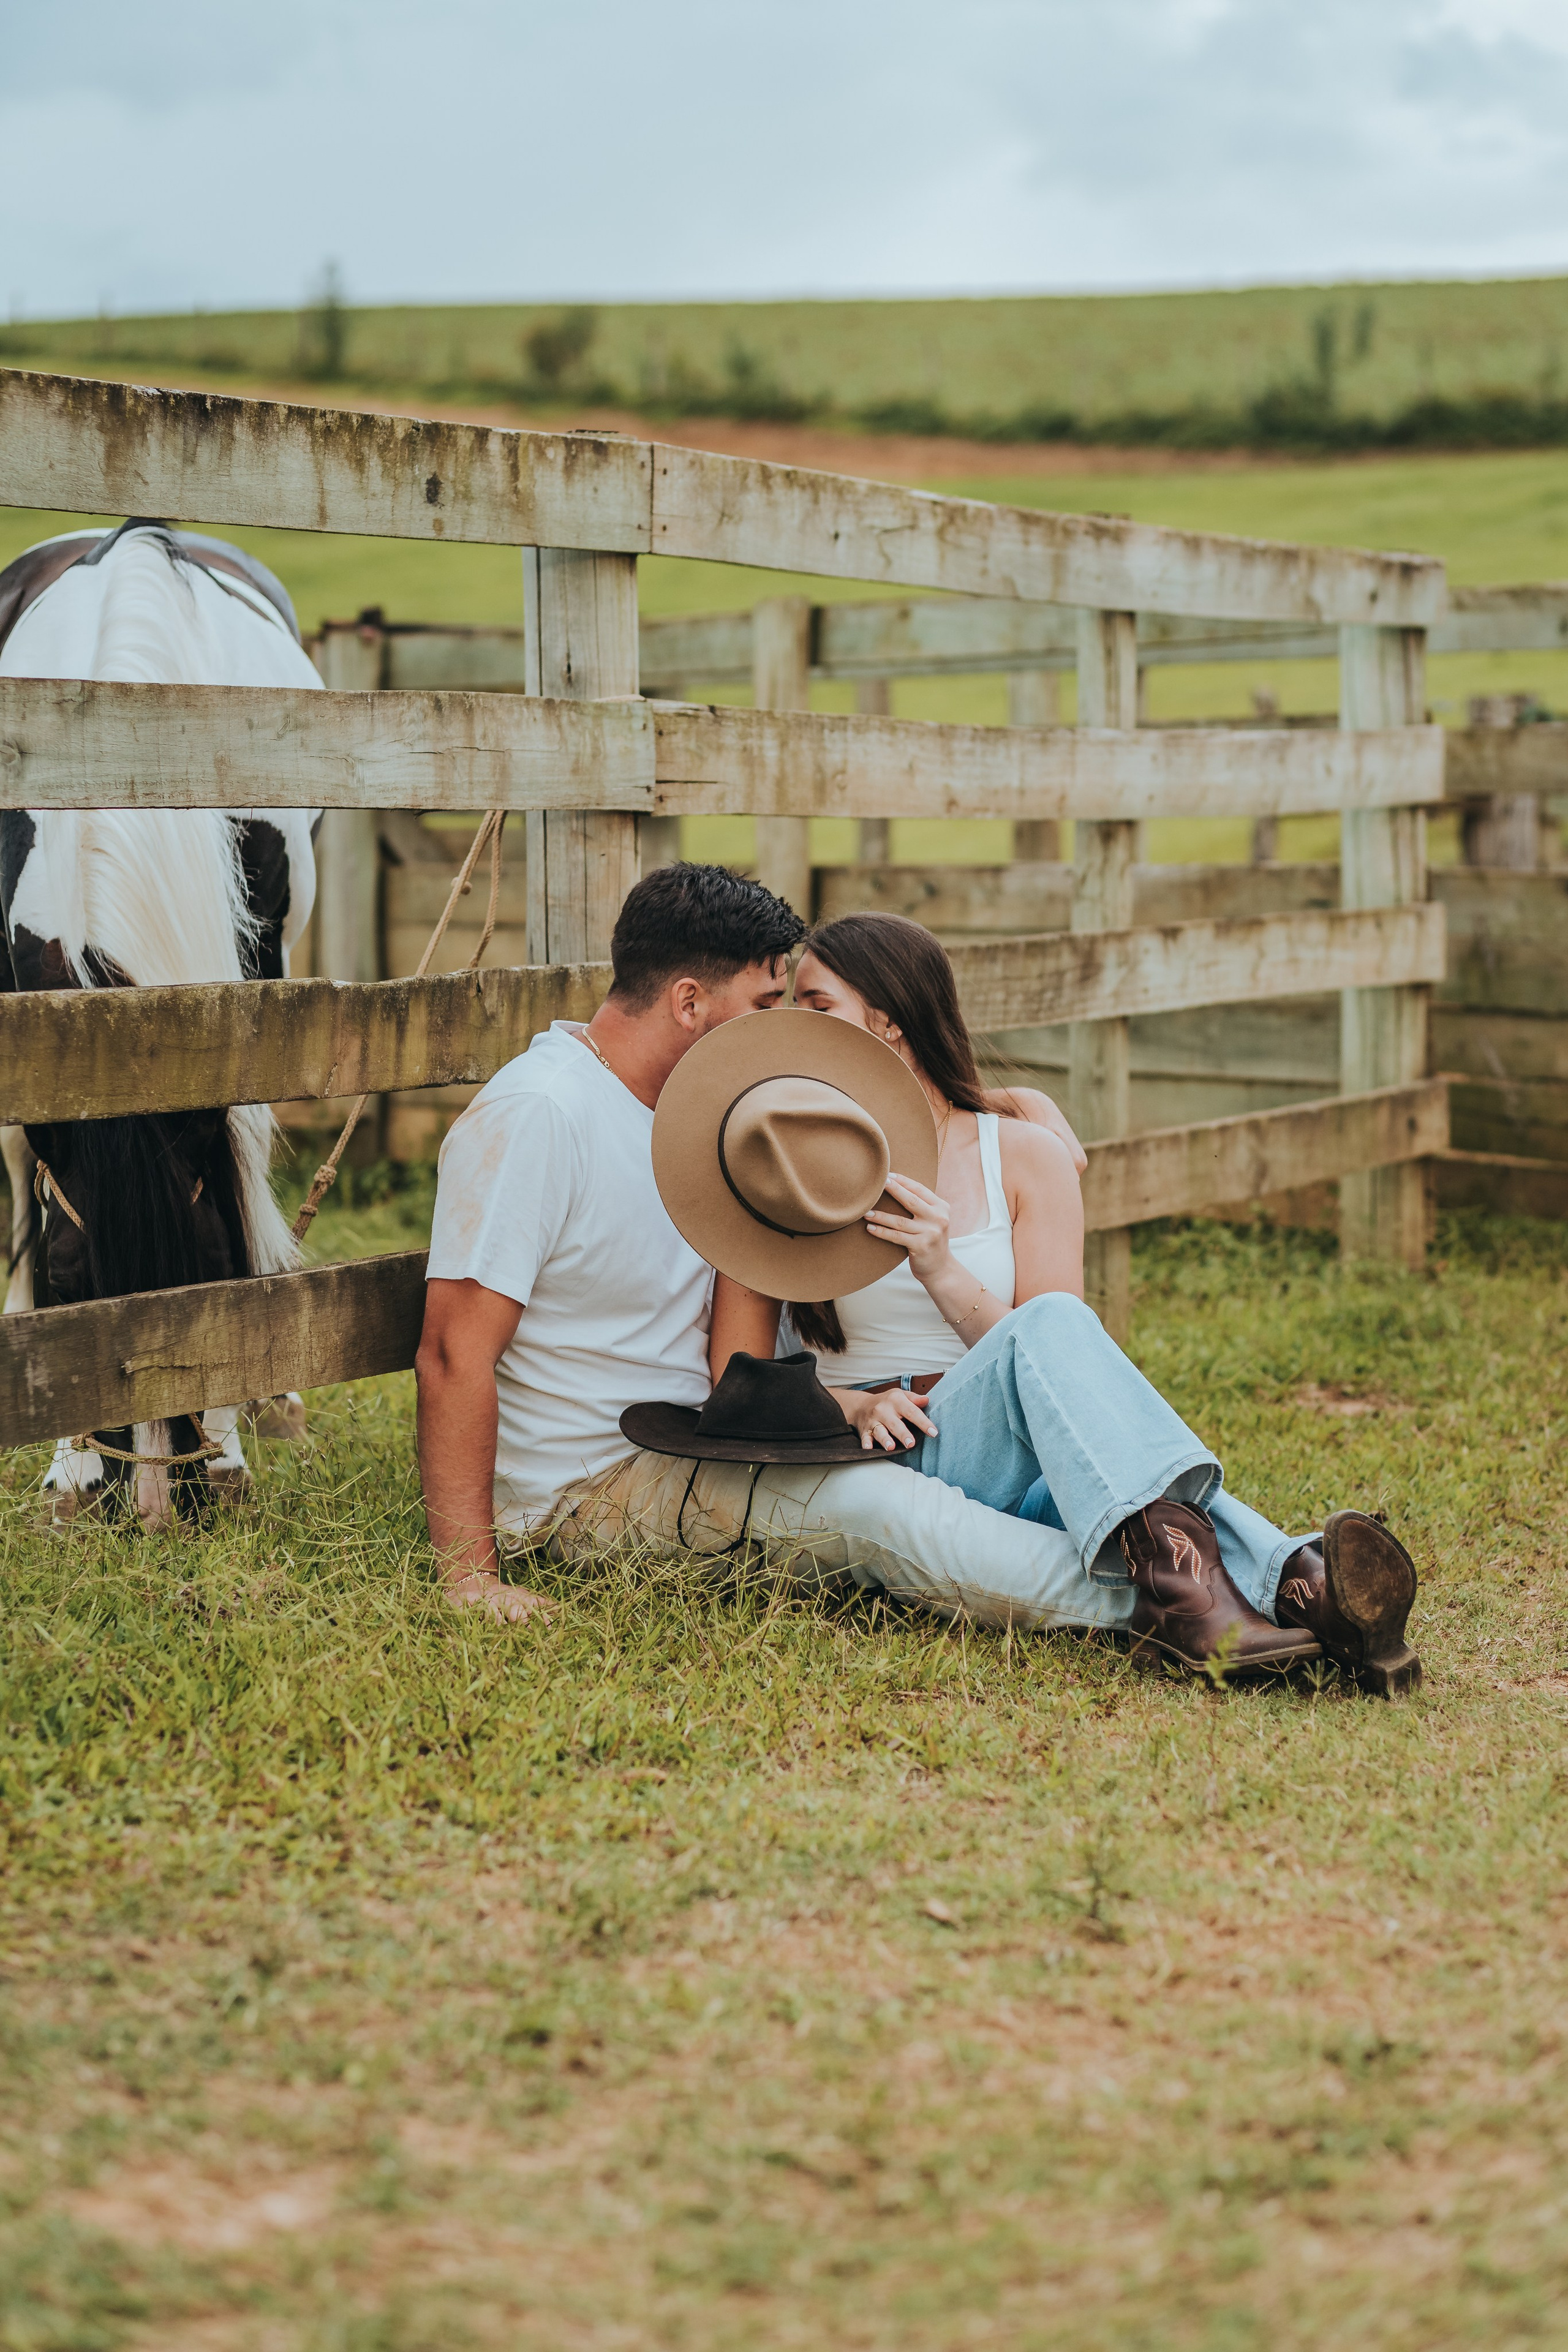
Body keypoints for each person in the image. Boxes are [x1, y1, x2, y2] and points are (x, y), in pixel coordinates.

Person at [417, 865, 1420, 1697]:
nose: (783, 1031)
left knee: (1043, 1353)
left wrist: (1009, 1105)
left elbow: (897, 1110)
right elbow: (455, 1348)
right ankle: (1263, 1599)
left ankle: (1248, 1595)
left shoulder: (710, 1113)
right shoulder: (544, 1114)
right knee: (888, 1517)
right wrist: (468, 1576)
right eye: (769, 1006)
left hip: (724, 1434)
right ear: (689, 1003)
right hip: (598, 1483)